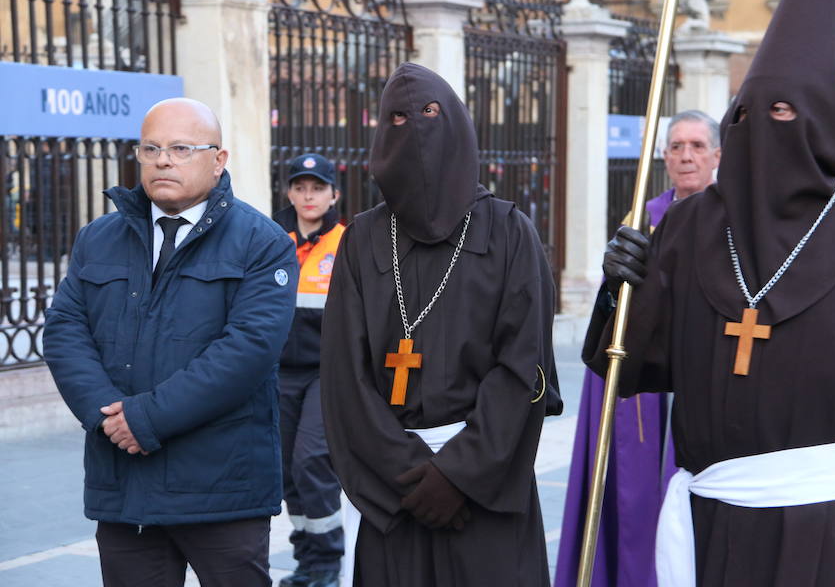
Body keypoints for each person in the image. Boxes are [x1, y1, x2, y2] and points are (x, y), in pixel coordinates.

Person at [584, 0, 835, 585]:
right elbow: (632, 367)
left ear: (826, 118)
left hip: (827, 526)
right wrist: (618, 289)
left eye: (783, 112)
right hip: (713, 522)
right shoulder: (692, 222)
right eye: (747, 114)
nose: (763, 129)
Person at [319, 62, 562, 587]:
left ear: (458, 123)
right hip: (396, 496)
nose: (418, 130)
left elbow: (524, 368)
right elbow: (345, 378)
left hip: (486, 496)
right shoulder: (361, 240)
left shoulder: (510, 231)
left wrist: (458, 477)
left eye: (431, 112)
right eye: (400, 118)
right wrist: (411, 481)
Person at [42, 98, 299, 587]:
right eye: (151, 148)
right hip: (125, 485)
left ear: (218, 159)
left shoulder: (262, 243)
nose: (162, 160)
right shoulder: (98, 238)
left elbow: (247, 352)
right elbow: (64, 330)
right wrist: (106, 415)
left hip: (221, 487)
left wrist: (145, 418)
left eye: (181, 148)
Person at [555, 110, 720, 587]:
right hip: (648, 378)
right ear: (664, 156)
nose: (685, 155)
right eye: (676, 146)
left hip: (706, 370)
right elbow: (616, 303)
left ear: (716, 155)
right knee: (631, 491)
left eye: (696, 145)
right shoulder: (642, 220)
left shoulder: (732, 220)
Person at [274, 153, 345, 587]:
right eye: (300, 187)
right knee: (284, 469)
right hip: (281, 372)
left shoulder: (348, 242)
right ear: (289, 193)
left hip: (327, 373)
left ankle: (328, 564)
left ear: (334, 194)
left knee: (312, 461)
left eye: (317, 188)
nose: (308, 196)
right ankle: (307, 561)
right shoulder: (274, 239)